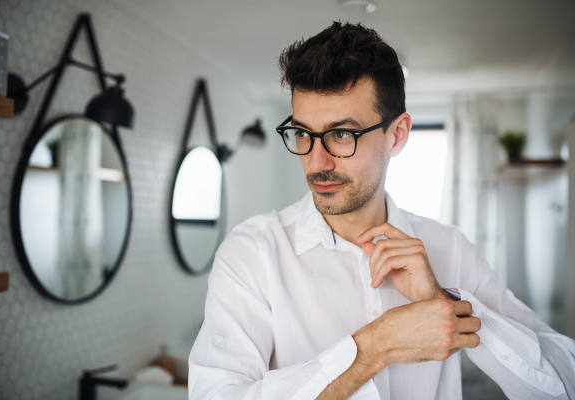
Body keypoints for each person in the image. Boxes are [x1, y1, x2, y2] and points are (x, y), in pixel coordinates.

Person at [188, 22, 575, 400]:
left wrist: (447, 303)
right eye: (303, 134)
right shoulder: (252, 254)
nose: (316, 161)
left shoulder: (451, 248)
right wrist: (375, 347)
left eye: (342, 134)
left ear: (398, 135)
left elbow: (565, 383)